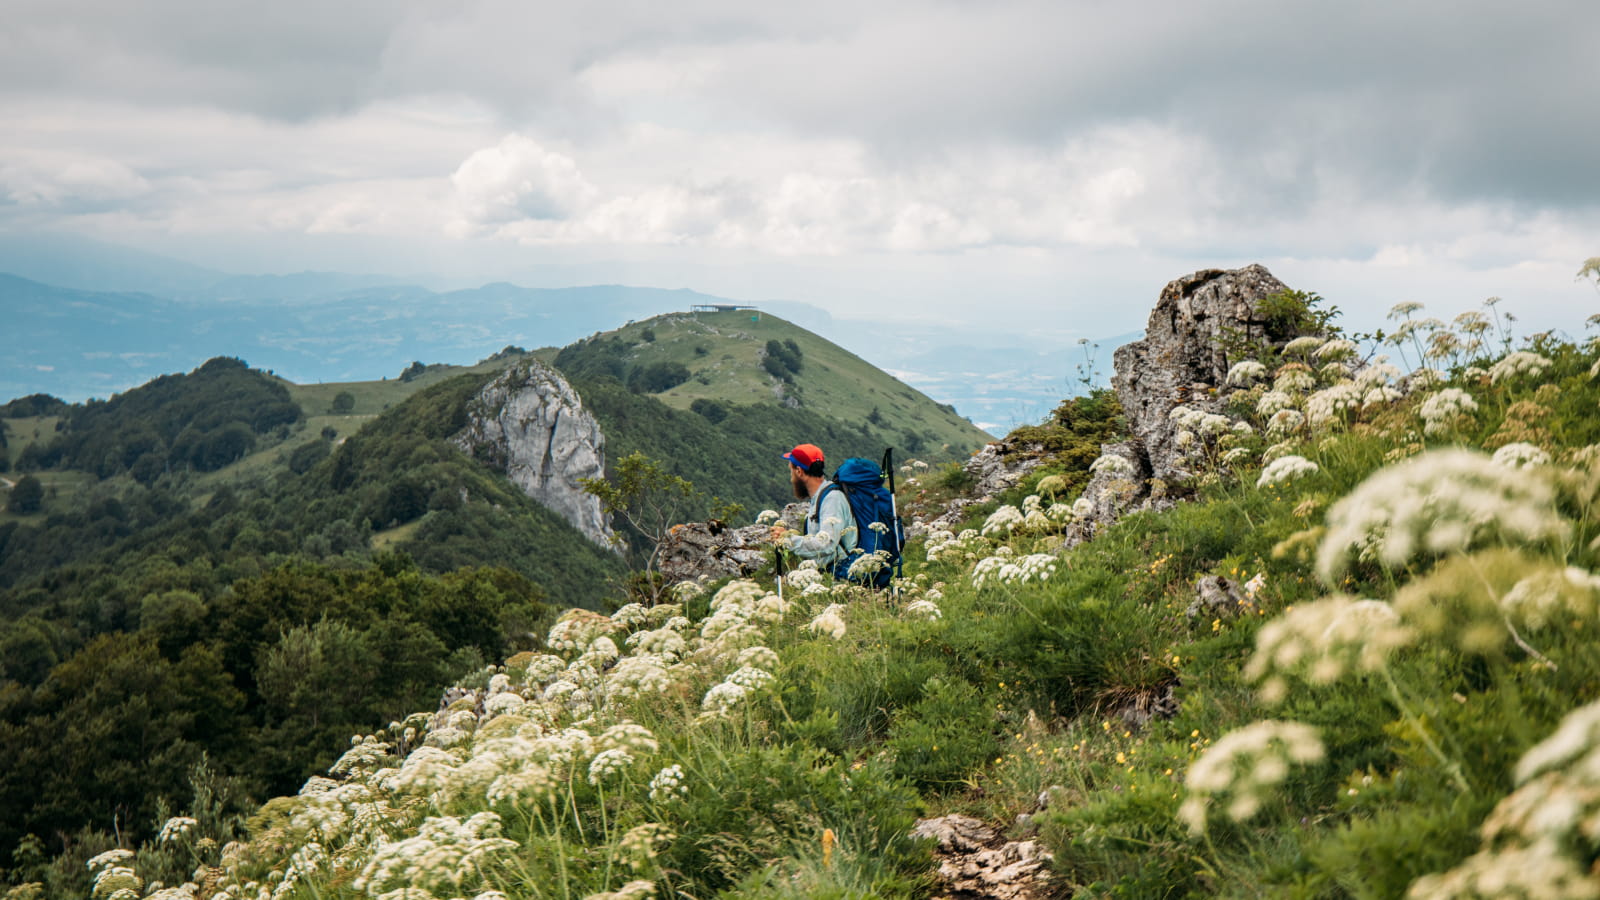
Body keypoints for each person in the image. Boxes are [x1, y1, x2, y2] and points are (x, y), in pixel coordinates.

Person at [774, 443, 857, 571]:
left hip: (842, 575)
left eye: (791, 471)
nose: (791, 479)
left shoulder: (832, 499)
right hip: (830, 573)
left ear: (799, 471)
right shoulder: (820, 497)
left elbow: (826, 544)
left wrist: (788, 540)